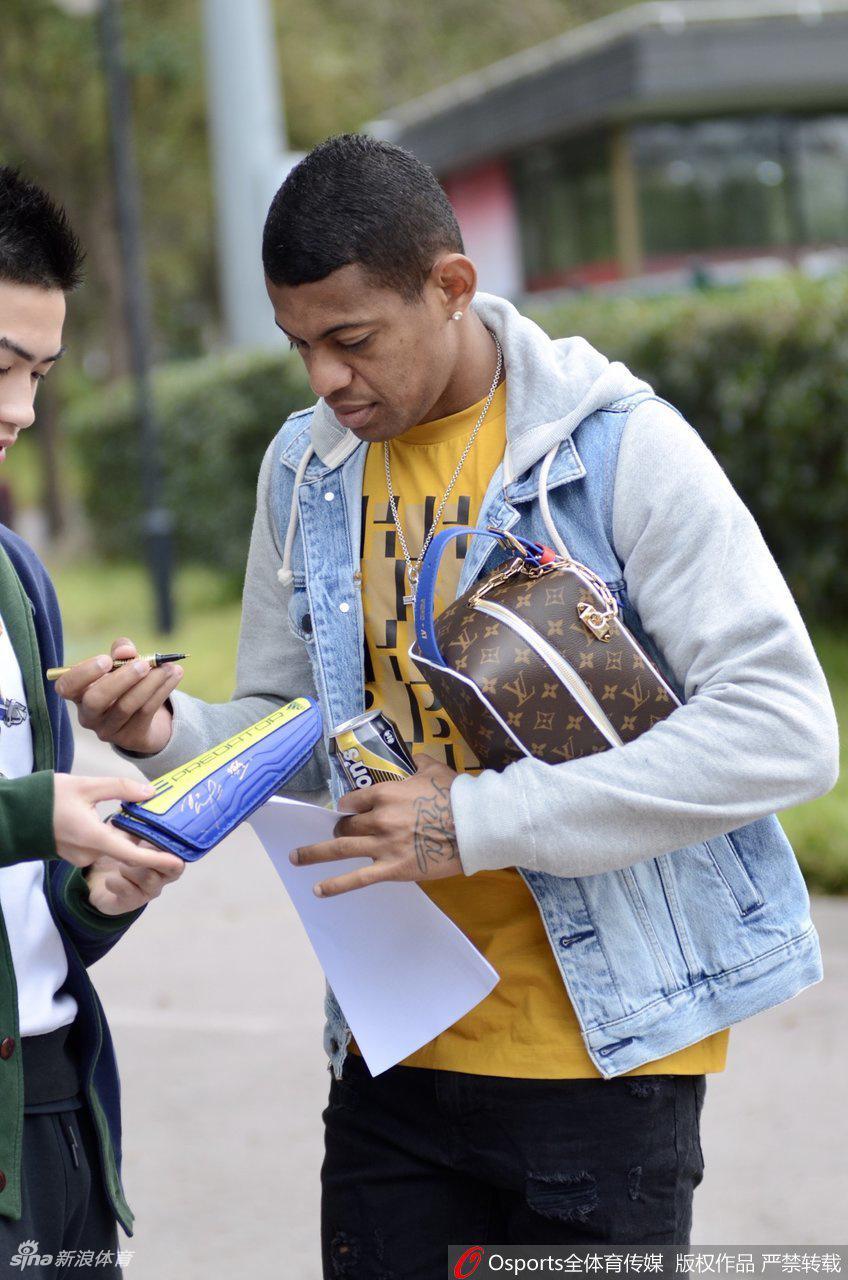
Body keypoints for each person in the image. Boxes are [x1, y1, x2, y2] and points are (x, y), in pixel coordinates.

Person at [57, 135, 840, 1270]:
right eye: (298, 345)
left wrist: (469, 824)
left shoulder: (615, 449)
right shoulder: (306, 470)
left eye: (350, 338)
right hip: (392, 1055)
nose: (323, 377)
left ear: (451, 285)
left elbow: (782, 728)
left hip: (603, 1065)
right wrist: (167, 732)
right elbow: (302, 731)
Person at [0, 167, 186, 1272]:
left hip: (61, 1110)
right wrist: (32, 808)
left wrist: (100, 893)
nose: (19, 410)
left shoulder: (19, 579)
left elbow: (31, 903)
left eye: (39, 374)